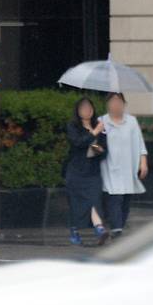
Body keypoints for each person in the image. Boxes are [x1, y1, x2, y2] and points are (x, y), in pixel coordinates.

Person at [99, 92, 149, 239]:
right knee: (115, 197)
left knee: (126, 197)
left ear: (124, 104)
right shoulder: (101, 121)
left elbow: (140, 143)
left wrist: (143, 162)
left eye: (119, 102)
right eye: (112, 102)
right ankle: (116, 228)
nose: (116, 105)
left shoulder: (132, 121)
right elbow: (96, 142)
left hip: (129, 166)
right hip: (109, 166)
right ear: (107, 104)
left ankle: (119, 224)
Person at [65, 97, 109, 246]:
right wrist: (94, 132)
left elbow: (105, 151)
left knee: (94, 200)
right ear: (78, 111)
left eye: (89, 107)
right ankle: (74, 231)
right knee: (77, 203)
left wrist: (99, 148)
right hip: (76, 170)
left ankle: (99, 228)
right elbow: (78, 143)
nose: (87, 110)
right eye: (83, 108)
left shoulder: (100, 127)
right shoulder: (73, 126)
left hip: (93, 171)